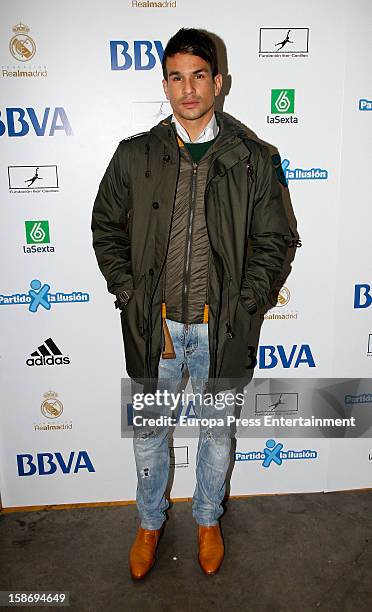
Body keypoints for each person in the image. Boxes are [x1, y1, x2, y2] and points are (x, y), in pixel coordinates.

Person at [91, 28, 291, 579]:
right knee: (151, 437)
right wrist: (129, 293)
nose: (188, 89)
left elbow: (276, 241)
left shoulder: (254, 158)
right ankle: (150, 523)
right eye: (176, 77)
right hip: (156, 330)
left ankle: (207, 519)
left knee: (216, 434)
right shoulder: (135, 155)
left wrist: (247, 303)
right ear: (165, 85)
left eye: (198, 75)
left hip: (219, 330)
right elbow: (105, 227)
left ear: (218, 81)